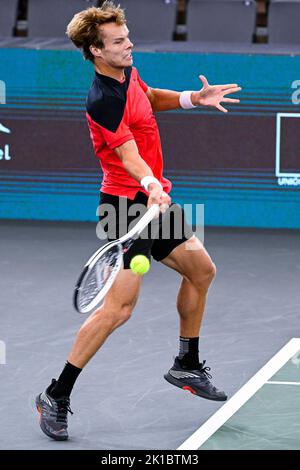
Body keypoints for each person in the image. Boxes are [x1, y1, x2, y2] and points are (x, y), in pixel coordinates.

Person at [36, 1, 241, 441]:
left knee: (202, 270)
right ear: (95, 50)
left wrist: (192, 99)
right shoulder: (102, 99)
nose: (129, 45)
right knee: (119, 311)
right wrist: (150, 183)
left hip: (154, 201)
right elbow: (128, 155)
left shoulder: (126, 73)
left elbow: (146, 99)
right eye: (118, 42)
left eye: (127, 37)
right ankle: (56, 393)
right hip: (126, 209)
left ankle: (186, 364)